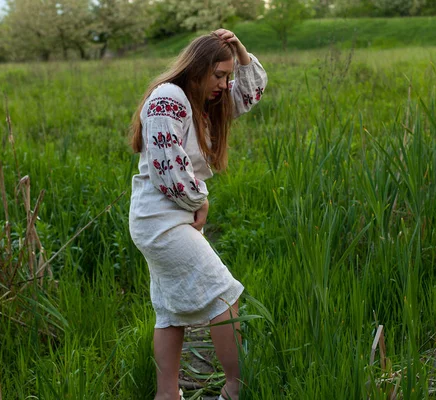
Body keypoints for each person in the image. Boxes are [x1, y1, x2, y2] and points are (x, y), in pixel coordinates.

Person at [129, 28, 267, 400]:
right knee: (224, 296)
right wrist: (199, 200)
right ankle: (236, 390)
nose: (225, 84)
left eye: (227, 75)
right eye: (218, 75)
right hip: (160, 220)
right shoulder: (168, 99)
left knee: (169, 311)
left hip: (170, 217)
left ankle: (167, 395)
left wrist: (238, 48)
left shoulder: (203, 103)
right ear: (197, 67)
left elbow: (252, 90)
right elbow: (165, 167)